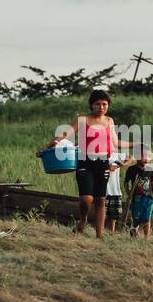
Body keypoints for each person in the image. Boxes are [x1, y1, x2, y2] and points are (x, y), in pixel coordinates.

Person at [38, 89, 119, 238]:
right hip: (84, 160)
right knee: (86, 198)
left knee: (101, 199)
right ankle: (83, 220)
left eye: (104, 104)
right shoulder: (82, 119)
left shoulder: (109, 121)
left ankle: (99, 235)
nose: (101, 107)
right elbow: (64, 135)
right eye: (97, 104)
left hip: (103, 162)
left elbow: (115, 142)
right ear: (91, 105)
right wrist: (46, 147)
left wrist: (136, 144)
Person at [125, 151, 153, 239]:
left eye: (148, 156)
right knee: (136, 218)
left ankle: (146, 238)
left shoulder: (150, 169)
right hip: (136, 198)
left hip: (148, 198)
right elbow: (126, 183)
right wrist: (129, 193)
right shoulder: (132, 169)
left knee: (147, 218)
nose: (146, 158)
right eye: (144, 156)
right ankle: (134, 229)